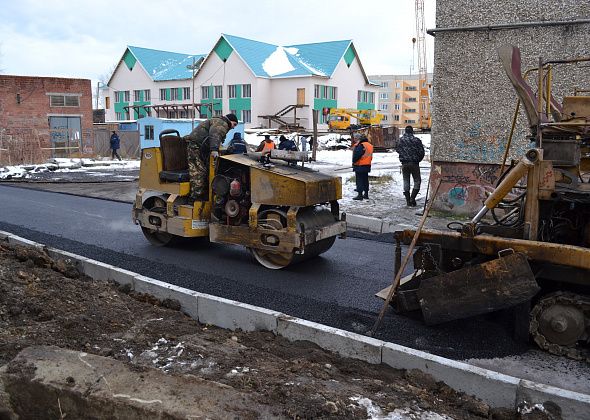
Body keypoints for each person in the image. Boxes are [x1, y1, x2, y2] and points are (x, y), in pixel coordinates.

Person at [184, 113, 239, 200]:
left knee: (207, 171)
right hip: (195, 147)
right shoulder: (222, 124)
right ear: (229, 120)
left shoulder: (218, 122)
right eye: (234, 124)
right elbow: (215, 134)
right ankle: (195, 198)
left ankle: (204, 193)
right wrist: (214, 149)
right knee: (199, 172)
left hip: (200, 148)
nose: (233, 127)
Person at [396, 125, 425, 207]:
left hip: (404, 164)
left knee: (406, 181)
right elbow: (421, 152)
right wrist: (418, 160)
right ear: (412, 131)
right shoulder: (416, 140)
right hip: (414, 163)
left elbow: (397, 150)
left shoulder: (400, 140)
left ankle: (408, 201)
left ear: (405, 131)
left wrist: (403, 156)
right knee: (417, 181)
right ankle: (412, 198)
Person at [352, 134, 373, 200]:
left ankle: (360, 195)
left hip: (360, 165)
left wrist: (354, 162)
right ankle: (366, 194)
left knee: (359, 180)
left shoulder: (361, 145)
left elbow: (357, 155)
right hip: (367, 164)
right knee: (365, 180)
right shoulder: (370, 145)